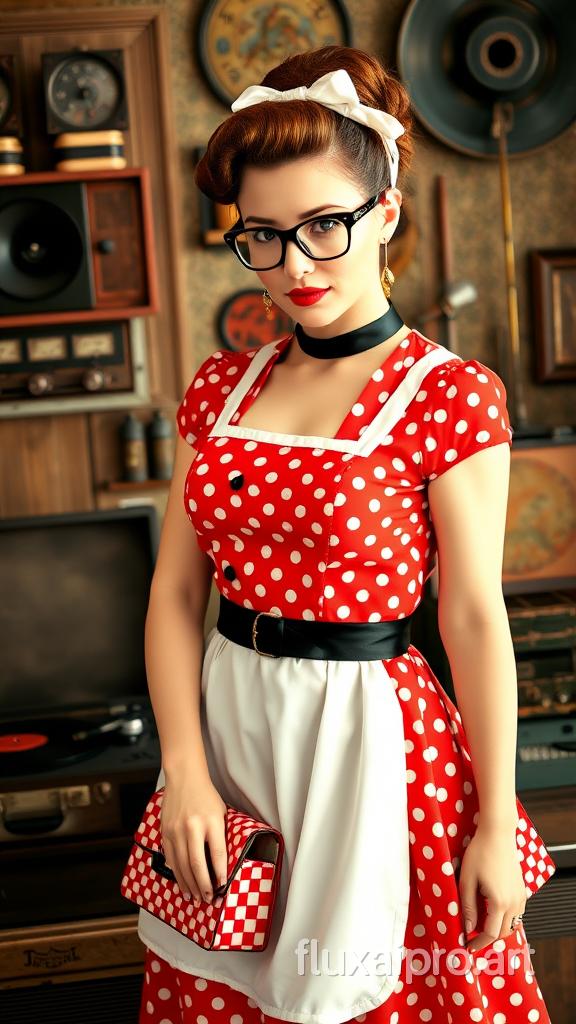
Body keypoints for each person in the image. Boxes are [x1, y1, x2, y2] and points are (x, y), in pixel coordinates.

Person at [137, 45, 556, 1024]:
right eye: (265, 236)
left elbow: (473, 619)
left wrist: (498, 819)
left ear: (388, 215)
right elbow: (171, 596)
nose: (296, 265)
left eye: (327, 225)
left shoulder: (448, 396)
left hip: (375, 748)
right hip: (233, 735)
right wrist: (185, 772)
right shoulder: (220, 387)